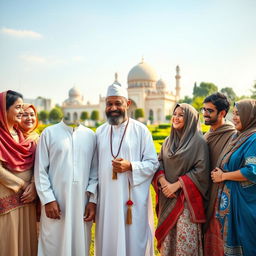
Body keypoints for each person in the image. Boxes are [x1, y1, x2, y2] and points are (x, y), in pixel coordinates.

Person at [95, 83, 159, 256]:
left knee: (134, 243)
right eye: (109, 104)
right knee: (108, 239)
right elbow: (93, 170)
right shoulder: (99, 132)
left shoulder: (141, 131)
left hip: (132, 201)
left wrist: (131, 166)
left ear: (128, 104)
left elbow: (153, 163)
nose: (113, 108)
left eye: (118, 103)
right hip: (106, 201)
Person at [34, 115, 98, 256]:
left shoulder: (91, 135)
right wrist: (48, 199)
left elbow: (95, 172)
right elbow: (40, 170)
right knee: (53, 243)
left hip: (82, 202)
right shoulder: (49, 133)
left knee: (79, 244)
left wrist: (93, 201)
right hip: (56, 201)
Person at [153, 103, 209, 256]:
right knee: (168, 243)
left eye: (181, 115)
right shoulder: (167, 141)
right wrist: (164, 183)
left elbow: (201, 171)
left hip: (186, 202)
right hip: (167, 197)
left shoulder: (199, 142)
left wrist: (176, 185)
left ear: (190, 119)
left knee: (184, 243)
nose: (175, 118)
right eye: (174, 114)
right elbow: (159, 163)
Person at [211, 99, 256, 256]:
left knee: (247, 245)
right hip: (234, 202)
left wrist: (223, 176)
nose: (234, 118)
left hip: (246, 204)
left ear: (249, 115)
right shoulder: (238, 137)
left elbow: (252, 171)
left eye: (239, 114)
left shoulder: (253, 139)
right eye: (234, 114)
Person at [0, 90, 38, 256]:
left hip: (27, 201)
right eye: (18, 107)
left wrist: (34, 185)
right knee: (8, 243)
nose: (22, 111)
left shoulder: (23, 136)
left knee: (26, 244)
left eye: (23, 107)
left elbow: (39, 163)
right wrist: (23, 185)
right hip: (6, 202)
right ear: (3, 109)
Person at [202, 93, 236, 255]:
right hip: (205, 193)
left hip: (223, 197)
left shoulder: (233, 135)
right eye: (203, 109)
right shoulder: (207, 135)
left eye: (210, 110)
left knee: (219, 240)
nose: (205, 114)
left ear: (222, 113)